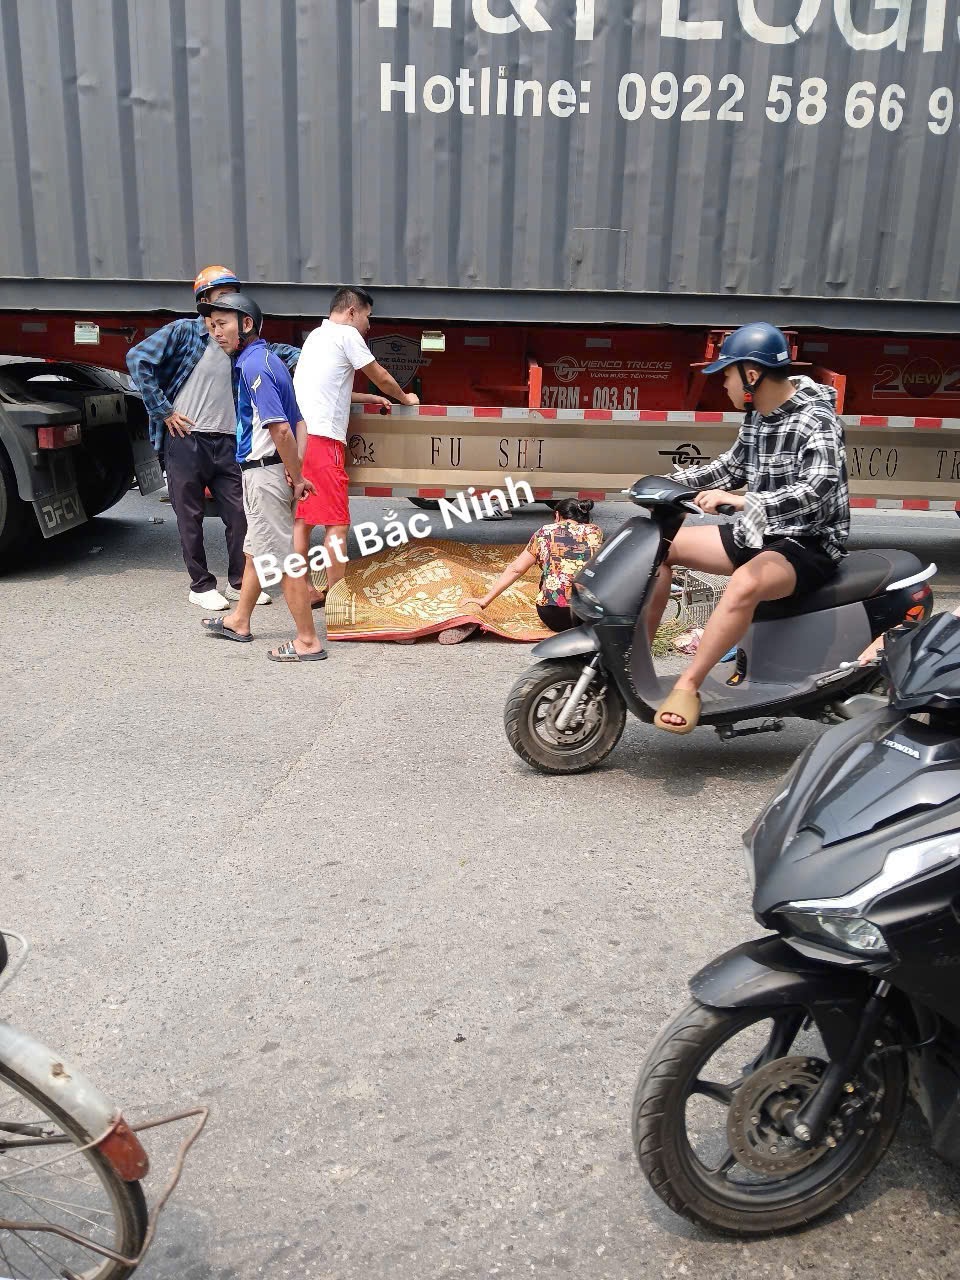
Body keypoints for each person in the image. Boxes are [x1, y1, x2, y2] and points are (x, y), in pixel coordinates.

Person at [649, 321, 849, 734]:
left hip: (808, 542)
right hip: (759, 531)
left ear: (751, 375)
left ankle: (688, 685)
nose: (722, 382)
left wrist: (746, 501)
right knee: (659, 547)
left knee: (743, 583)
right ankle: (637, 659)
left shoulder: (818, 420)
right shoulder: (758, 417)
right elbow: (731, 467)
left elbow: (818, 489)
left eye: (727, 373)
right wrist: (668, 484)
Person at [126, 265, 300, 610]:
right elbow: (137, 358)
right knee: (188, 515)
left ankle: (238, 582)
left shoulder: (239, 343)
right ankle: (201, 584)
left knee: (239, 514)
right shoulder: (184, 332)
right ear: (204, 302)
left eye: (233, 297)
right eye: (220, 297)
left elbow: (292, 356)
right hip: (185, 438)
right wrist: (163, 411)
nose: (228, 304)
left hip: (229, 443)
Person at [197, 292, 326, 663]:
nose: (216, 332)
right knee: (255, 550)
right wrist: (295, 469)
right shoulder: (272, 360)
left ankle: (307, 641)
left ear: (246, 324)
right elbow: (300, 423)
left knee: (284, 562)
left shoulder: (254, 365)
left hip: (263, 474)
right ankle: (239, 620)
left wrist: (296, 476)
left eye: (222, 324)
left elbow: (281, 428)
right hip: (271, 472)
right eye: (212, 325)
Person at [293, 287, 420, 607]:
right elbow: (380, 375)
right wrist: (404, 398)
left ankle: (304, 590)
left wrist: (369, 397)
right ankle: (338, 597)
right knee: (337, 524)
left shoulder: (316, 337)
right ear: (352, 311)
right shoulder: (347, 335)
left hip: (302, 439)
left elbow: (328, 388)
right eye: (367, 316)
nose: (368, 325)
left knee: (303, 521)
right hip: (324, 442)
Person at [463, 499, 604, 630]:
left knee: (549, 577)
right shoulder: (595, 532)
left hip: (554, 614)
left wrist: (484, 600)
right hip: (588, 615)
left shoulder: (545, 532)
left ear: (557, 515)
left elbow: (516, 569)